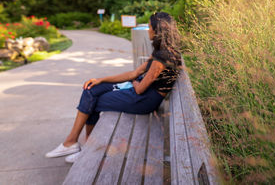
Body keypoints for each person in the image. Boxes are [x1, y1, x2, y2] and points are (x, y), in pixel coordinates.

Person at [45, 12, 182, 163]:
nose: (148, 30)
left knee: (94, 101)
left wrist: (135, 82)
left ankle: (87, 149)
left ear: (158, 31)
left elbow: (140, 89)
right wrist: (101, 79)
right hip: (141, 93)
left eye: (149, 27)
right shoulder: (160, 52)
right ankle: (73, 143)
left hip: (145, 100)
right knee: (92, 89)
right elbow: (135, 73)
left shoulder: (164, 57)